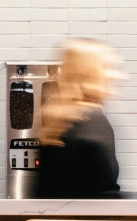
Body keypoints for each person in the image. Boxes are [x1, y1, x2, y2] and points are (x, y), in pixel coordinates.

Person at [35, 37, 126, 199]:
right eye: (106, 67)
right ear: (89, 74)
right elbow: (106, 196)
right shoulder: (93, 122)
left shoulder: (58, 121)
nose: (116, 75)